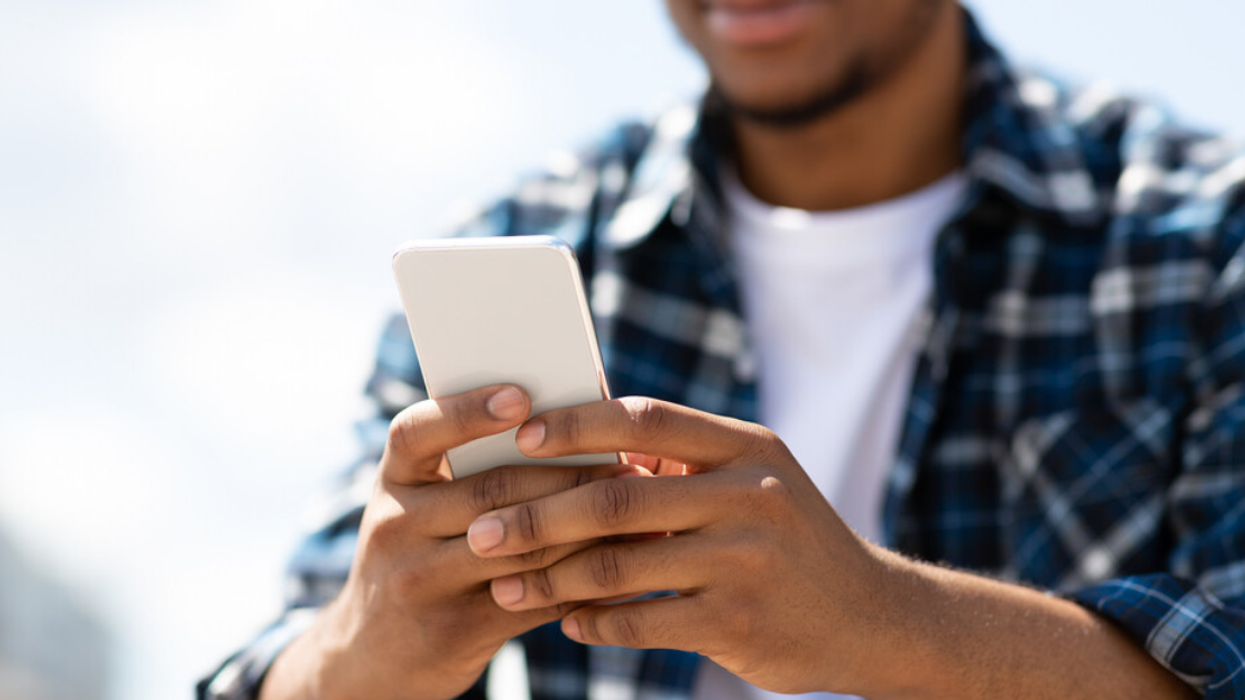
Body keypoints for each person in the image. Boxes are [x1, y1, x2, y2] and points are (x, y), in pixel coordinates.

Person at [200, 1, 1245, 698]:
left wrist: (881, 618)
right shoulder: (526, 235)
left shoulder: (1205, 240)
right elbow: (298, 649)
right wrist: (368, 643)